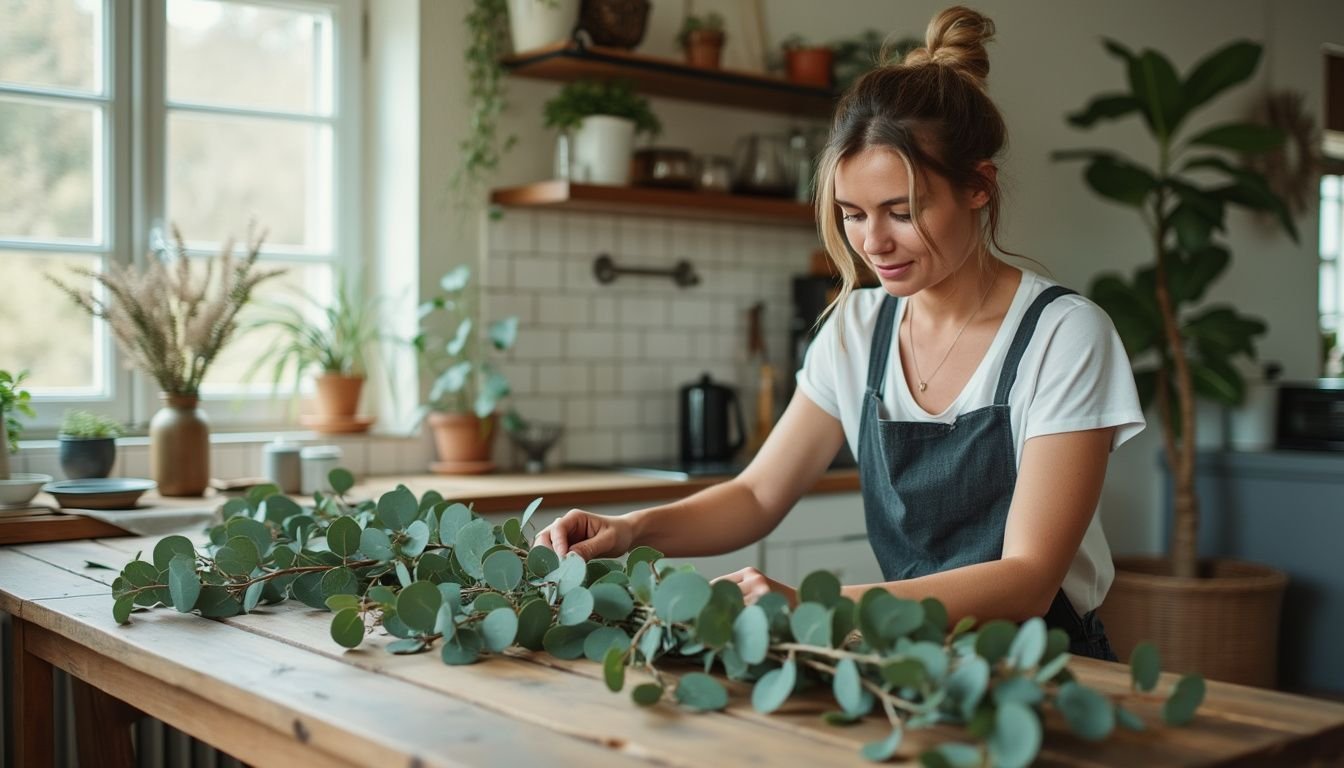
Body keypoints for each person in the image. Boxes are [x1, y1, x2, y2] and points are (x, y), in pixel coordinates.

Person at [537, 5, 1144, 660]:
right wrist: (631, 530)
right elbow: (757, 494)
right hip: (902, 663)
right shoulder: (856, 328)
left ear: (978, 187)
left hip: (1048, 669)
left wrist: (809, 605)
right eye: (853, 214)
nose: (874, 243)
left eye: (902, 212)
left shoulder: (1064, 336)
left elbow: (1027, 581)